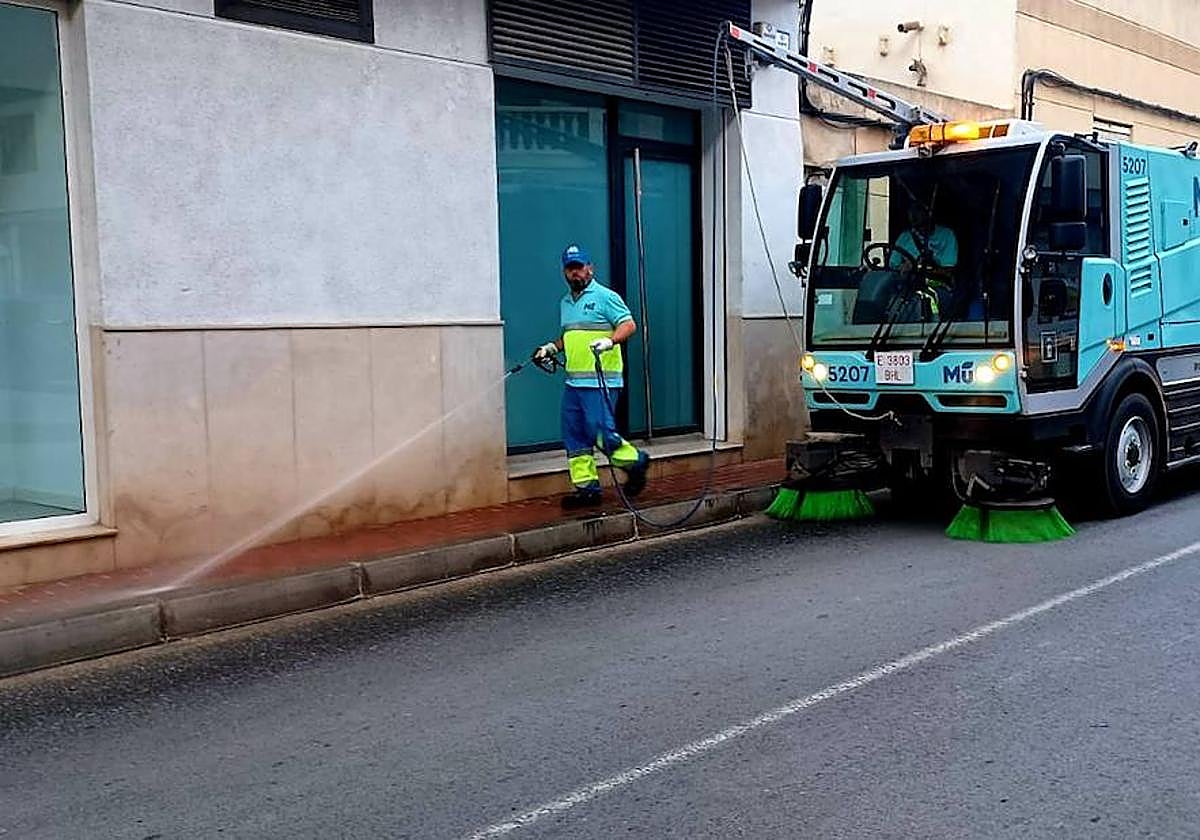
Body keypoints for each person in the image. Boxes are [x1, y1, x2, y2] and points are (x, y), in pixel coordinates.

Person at [533, 244, 651, 510]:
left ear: (590, 268)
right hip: (574, 383)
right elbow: (570, 335)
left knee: (599, 432)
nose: (575, 273)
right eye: (570, 268)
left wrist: (610, 342)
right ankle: (587, 489)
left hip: (601, 381)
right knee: (574, 437)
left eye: (579, 267)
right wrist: (551, 348)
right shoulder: (565, 302)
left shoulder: (605, 296)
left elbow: (628, 324)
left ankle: (636, 462)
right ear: (564, 271)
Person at [889, 203, 959, 317]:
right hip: (905, 285)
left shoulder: (947, 235)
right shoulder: (904, 237)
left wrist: (918, 268)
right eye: (911, 210)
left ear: (929, 212)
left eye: (918, 210)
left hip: (937, 285)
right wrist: (903, 268)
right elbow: (893, 266)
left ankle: (934, 327)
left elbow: (948, 271)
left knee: (927, 300)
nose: (913, 215)